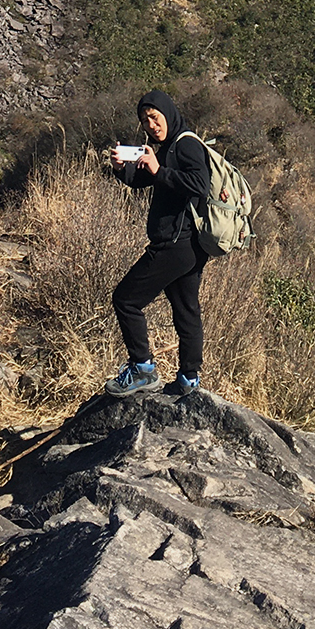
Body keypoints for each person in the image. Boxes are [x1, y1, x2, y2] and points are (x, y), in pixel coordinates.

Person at [105, 89, 210, 399]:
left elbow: (199, 184)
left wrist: (159, 170)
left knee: (126, 299)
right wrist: (120, 168)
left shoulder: (186, 144)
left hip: (176, 244)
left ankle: (142, 368)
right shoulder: (166, 148)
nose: (150, 125)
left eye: (154, 117)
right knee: (186, 312)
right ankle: (189, 381)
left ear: (168, 113)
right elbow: (146, 180)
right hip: (189, 246)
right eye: (144, 120)